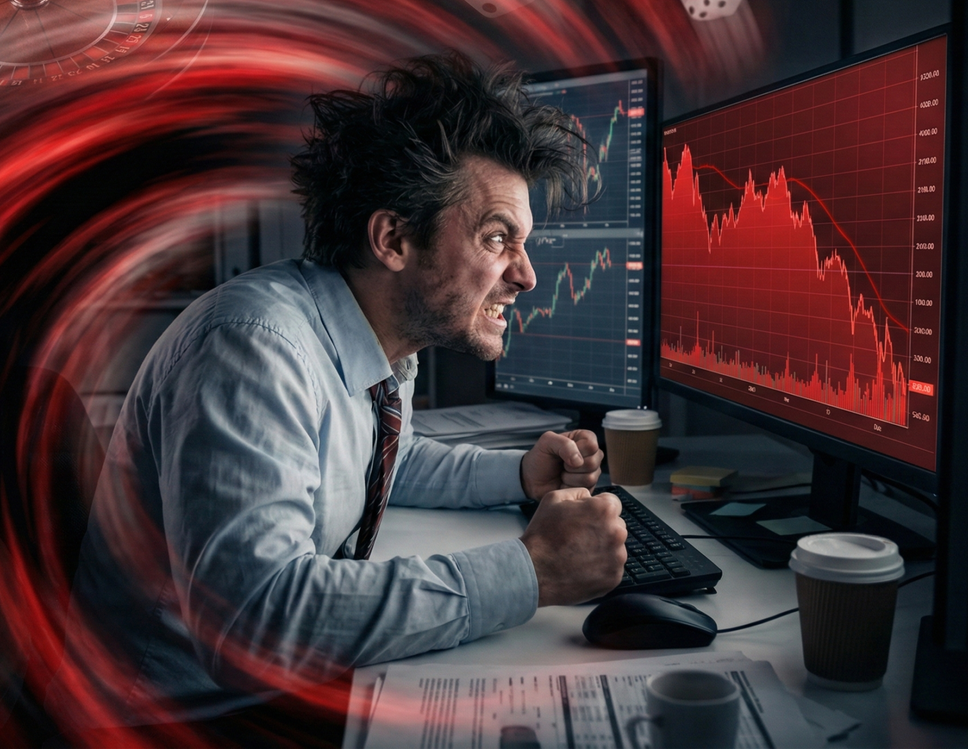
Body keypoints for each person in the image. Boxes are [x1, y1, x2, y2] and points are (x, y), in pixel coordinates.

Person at [59, 52, 629, 745]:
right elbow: (252, 627)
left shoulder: (376, 336)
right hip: (180, 722)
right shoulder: (252, 347)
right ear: (393, 239)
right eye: (496, 238)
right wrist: (530, 570)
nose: (527, 276)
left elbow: (380, 456)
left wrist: (514, 474)